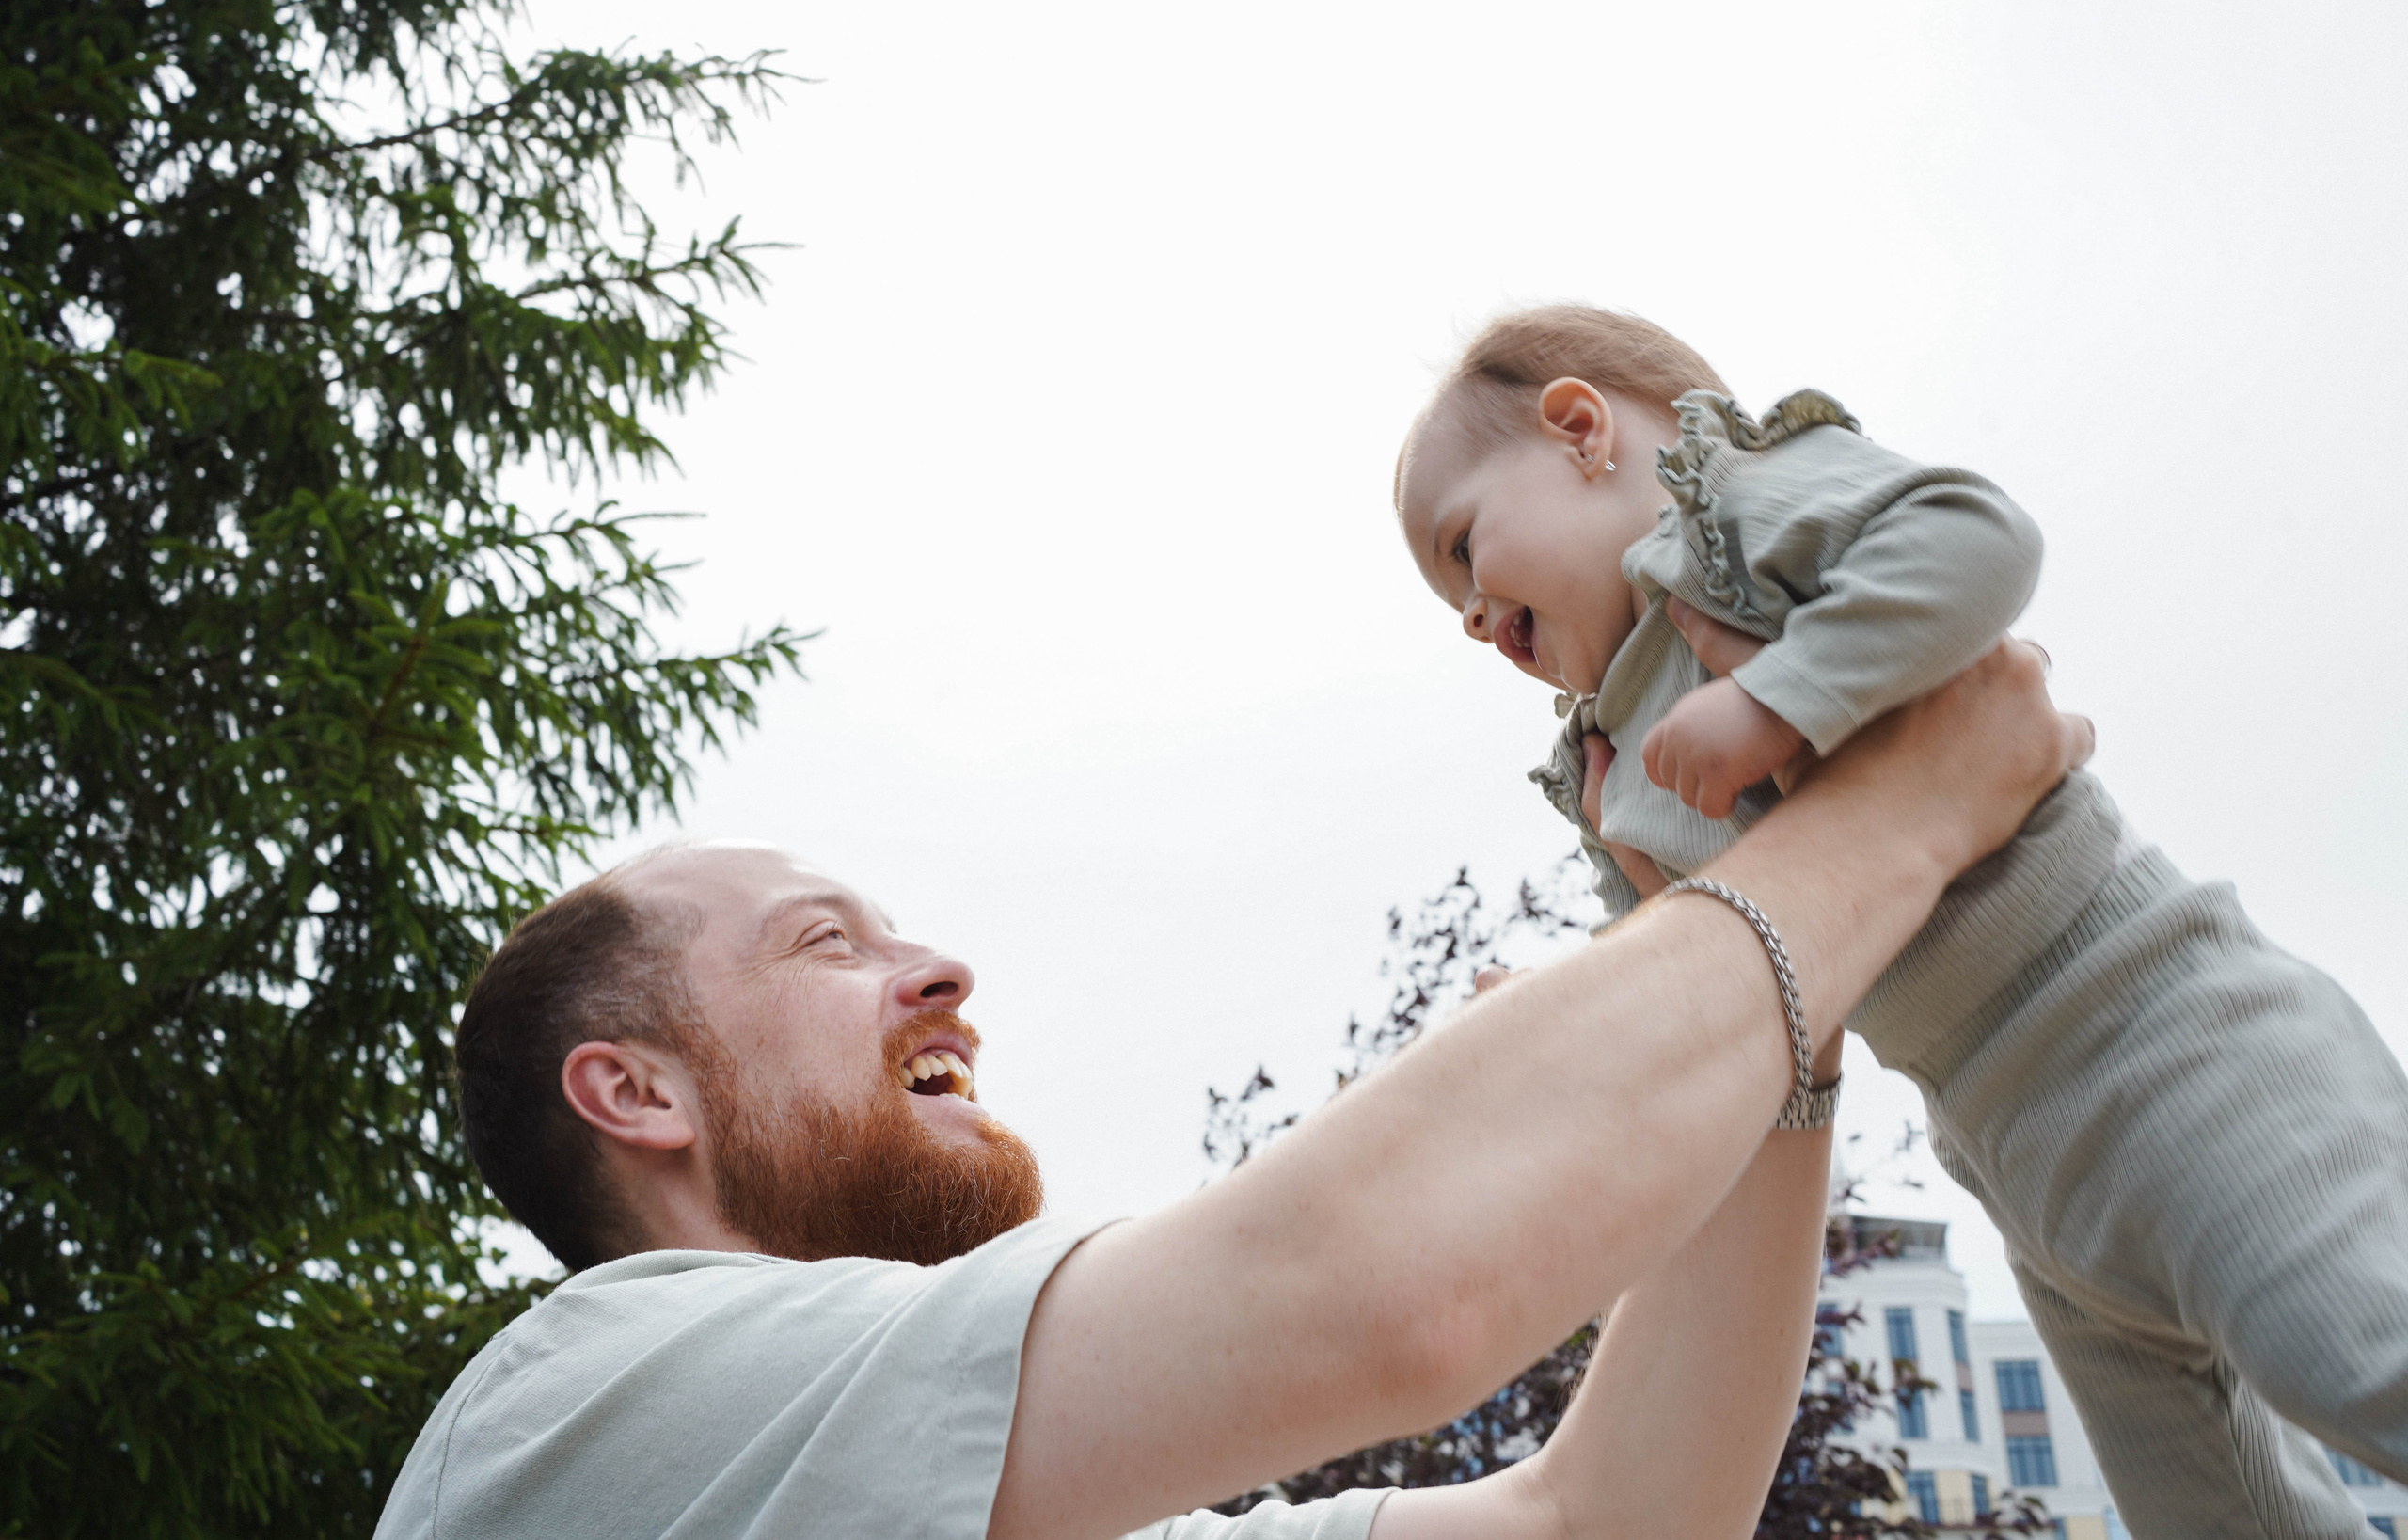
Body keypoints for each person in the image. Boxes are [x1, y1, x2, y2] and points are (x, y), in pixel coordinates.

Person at [372, 631, 2085, 1540]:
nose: (940, 969)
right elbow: (1377, 1287)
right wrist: (1904, 816)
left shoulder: (990, 1501)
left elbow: (1605, 1521)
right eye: (824, 945)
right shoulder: (586, 1418)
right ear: (636, 1094)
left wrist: (1776, 1013)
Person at [1393, 303, 2408, 1539]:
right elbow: (1701, 991)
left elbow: (1974, 538)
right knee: (2218, 1519)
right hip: (2014, 1156)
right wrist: (1577, 1023)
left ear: (1579, 429)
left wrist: (1780, 696)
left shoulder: (1734, 513)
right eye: (1452, 608)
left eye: (1462, 550)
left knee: (2362, 1354)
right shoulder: (1614, 774)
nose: (1472, 618)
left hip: (2158, 1034)